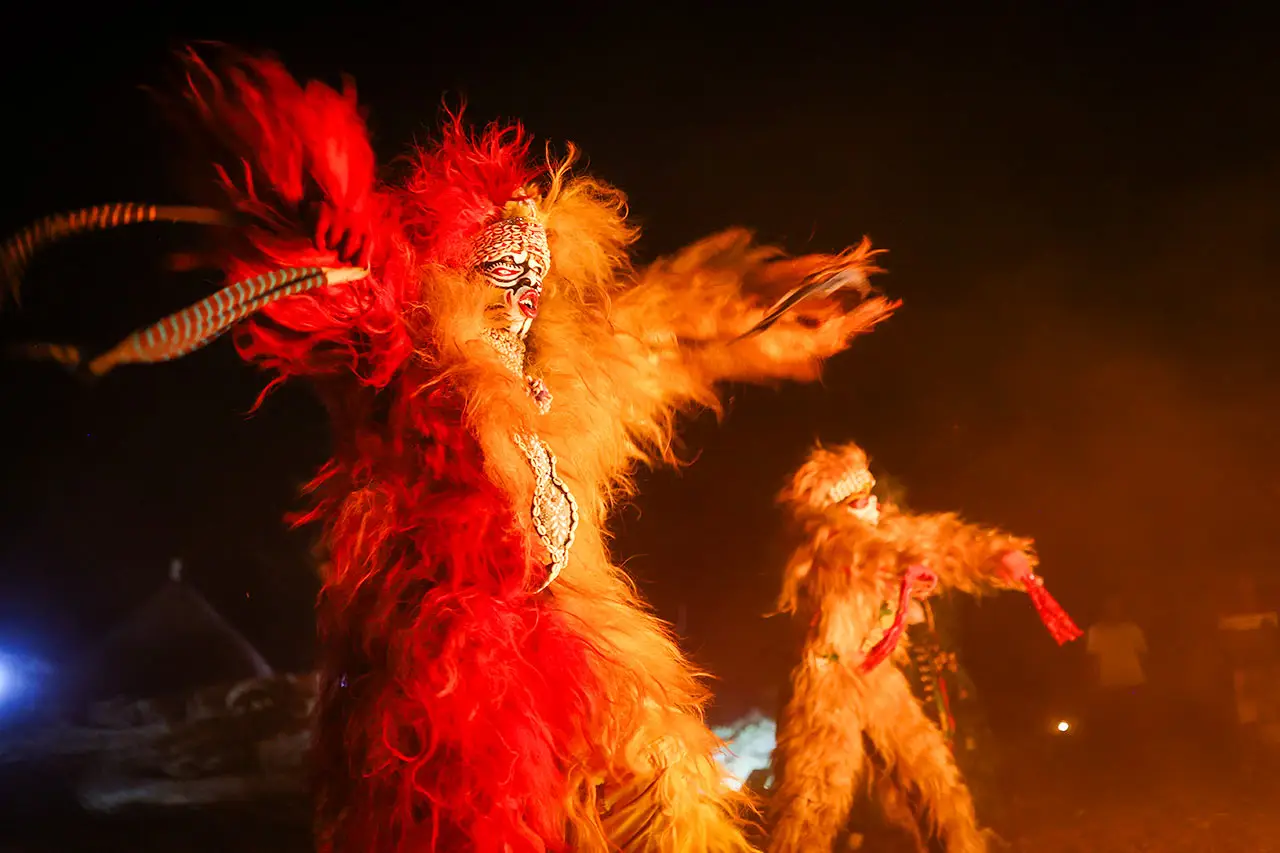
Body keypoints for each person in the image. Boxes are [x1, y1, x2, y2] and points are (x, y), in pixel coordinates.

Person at [1, 49, 899, 852]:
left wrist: (761, 303)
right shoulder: (408, 359)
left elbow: (659, 335)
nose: (522, 296)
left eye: (537, 279)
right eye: (502, 272)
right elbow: (338, 300)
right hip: (451, 682)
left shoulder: (571, 382)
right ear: (459, 270)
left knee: (674, 796)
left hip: (582, 653)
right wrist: (316, 219)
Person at [766, 441, 1079, 853]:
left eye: (873, 494)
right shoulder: (822, 543)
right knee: (812, 804)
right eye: (861, 500)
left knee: (936, 783)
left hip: (877, 681)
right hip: (826, 687)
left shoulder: (886, 532)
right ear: (836, 509)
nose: (874, 505)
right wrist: (897, 566)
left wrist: (996, 555)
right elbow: (854, 552)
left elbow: (941, 541)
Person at [1084, 594, 1148, 746]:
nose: (1113, 611)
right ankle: (1113, 751)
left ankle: (1136, 751)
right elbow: (1093, 658)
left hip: (1133, 682)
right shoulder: (1097, 631)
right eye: (1109, 607)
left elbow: (1142, 654)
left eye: (1116, 607)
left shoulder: (1132, 629)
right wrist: (1094, 682)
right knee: (1111, 721)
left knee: (1133, 720)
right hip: (1108, 683)